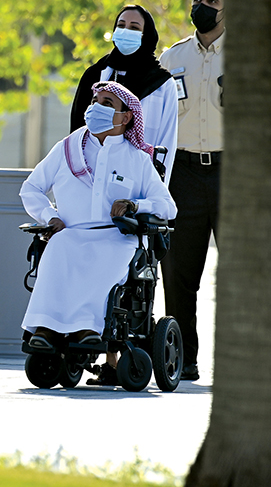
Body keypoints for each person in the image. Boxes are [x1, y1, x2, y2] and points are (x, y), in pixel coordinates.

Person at [20, 82, 176, 381]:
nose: (96, 107)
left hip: (116, 235)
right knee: (58, 248)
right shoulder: (67, 148)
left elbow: (167, 207)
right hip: (70, 232)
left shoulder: (138, 159)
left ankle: (88, 329)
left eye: (107, 103)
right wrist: (50, 217)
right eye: (95, 100)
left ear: (126, 117)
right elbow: (32, 188)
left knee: (107, 254)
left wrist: (135, 203)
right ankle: (45, 330)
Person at [157, 0, 225, 382]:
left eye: (212, 1)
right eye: (197, 0)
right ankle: (183, 359)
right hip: (183, 173)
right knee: (179, 273)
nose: (203, 7)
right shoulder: (172, 58)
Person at [70, 5, 178, 181]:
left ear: (146, 35)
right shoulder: (96, 74)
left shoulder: (163, 84)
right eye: (121, 26)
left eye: (134, 28)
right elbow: (76, 131)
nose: (126, 31)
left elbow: (167, 143)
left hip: (139, 179)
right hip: (93, 175)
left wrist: (155, 196)